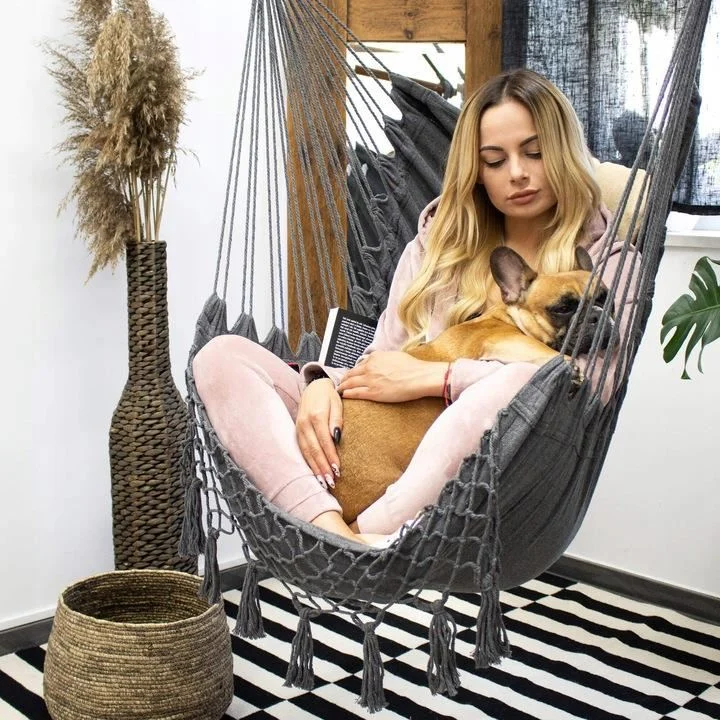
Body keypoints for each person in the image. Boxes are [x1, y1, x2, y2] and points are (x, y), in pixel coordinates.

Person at [192, 68, 637, 545]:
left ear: (565, 152)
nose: (517, 173)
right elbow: (382, 359)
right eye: (494, 160)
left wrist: (439, 378)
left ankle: (367, 539)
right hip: (365, 441)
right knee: (220, 356)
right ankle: (326, 530)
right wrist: (323, 383)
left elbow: (585, 389)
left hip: (485, 496)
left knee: (515, 383)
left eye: (535, 152)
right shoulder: (435, 247)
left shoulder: (610, 263)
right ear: (476, 171)